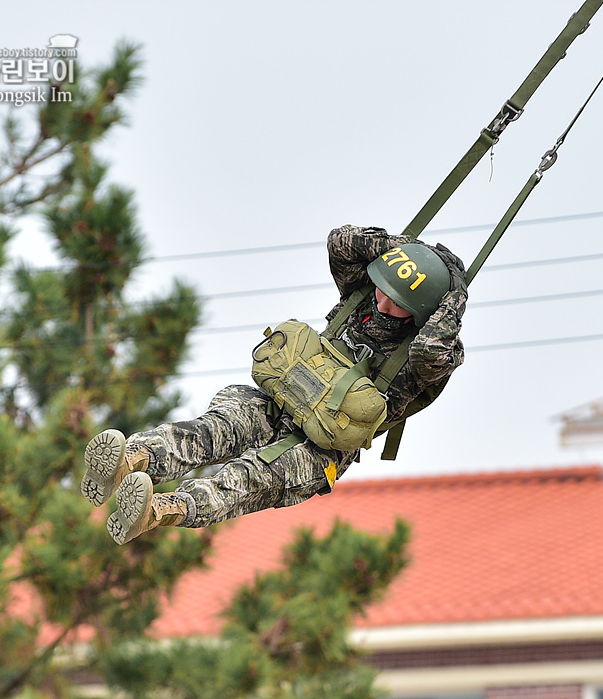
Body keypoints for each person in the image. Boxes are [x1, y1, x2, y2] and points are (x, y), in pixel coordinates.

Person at [81, 224, 467, 544]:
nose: (383, 304)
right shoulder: (361, 295)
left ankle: (157, 511)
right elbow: (342, 242)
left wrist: (452, 295)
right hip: (278, 401)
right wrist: (402, 252)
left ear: (423, 312)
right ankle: (132, 459)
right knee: (216, 430)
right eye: (384, 289)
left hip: (319, 450)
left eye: (398, 302)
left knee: (246, 479)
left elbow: (433, 349)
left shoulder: (424, 357)